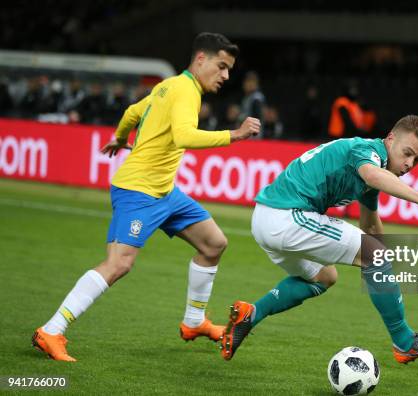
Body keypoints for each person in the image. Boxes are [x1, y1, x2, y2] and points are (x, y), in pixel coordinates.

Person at [32, 32, 260, 362]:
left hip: (165, 191)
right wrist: (235, 135)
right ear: (200, 60)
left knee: (213, 244)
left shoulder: (168, 86)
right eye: (221, 66)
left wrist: (120, 137)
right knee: (119, 264)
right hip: (138, 191)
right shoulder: (185, 92)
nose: (226, 75)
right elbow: (183, 135)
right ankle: (51, 330)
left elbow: (132, 111)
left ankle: (194, 322)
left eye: (229, 69)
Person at [221, 115, 418, 363]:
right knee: (373, 255)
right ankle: (405, 342)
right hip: (287, 217)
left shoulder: (376, 169)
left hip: (266, 220)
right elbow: (372, 175)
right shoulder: (367, 151)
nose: (410, 164)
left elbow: (369, 225)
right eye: (408, 153)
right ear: (390, 139)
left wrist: (389, 266)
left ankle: (251, 315)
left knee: (324, 277)